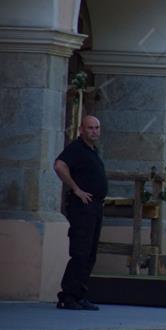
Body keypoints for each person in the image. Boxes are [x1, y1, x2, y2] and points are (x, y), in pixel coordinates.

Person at [54, 115, 107, 311]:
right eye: (90, 128)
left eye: (97, 128)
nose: (94, 131)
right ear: (81, 130)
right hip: (82, 208)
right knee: (80, 252)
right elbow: (59, 165)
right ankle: (67, 296)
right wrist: (76, 189)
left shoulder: (92, 150)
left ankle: (79, 295)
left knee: (90, 254)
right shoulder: (76, 148)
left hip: (95, 207)